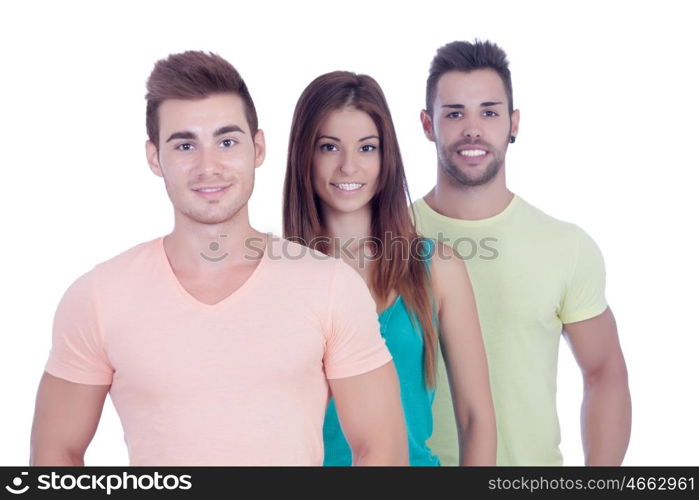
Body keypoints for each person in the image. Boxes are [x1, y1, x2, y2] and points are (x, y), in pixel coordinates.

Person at [30, 51, 409, 466]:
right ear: (155, 158)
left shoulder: (330, 287)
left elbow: (381, 449)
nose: (207, 167)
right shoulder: (98, 297)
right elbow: (56, 455)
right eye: (185, 145)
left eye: (226, 142)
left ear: (257, 148)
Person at [414, 40, 632, 466]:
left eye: (489, 112)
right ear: (427, 124)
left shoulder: (565, 246)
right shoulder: (391, 239)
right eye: (454, 113)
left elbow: (605, 372)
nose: (472, 129)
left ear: (514, 123)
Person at [283, 71, 496, 466]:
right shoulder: (275, 277)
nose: (349, 166)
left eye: (367, 148)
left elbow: (475, 418)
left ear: (386, 157)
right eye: (329, 147)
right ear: (304, 155)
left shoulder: (440, 268)